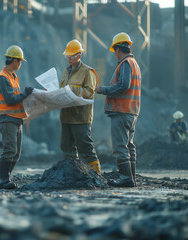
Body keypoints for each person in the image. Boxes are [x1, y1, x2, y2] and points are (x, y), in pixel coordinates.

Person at [96, 32, 141, 187]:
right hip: (131, 111)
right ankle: (131, 178)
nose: (114, 54)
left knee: (120, 147)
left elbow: (123, 85)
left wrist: (103, 89)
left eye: (114, 51)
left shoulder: (126, 63)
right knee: (129, 145)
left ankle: (126, 178)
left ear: (117, 49)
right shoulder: (134, 63)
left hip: (122, 111)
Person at [0, 45, 34, 189]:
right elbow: (10, 100)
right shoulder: (3, 78)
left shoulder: (12, 76)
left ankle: (0, 179)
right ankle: (4, 180)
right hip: (7, 119)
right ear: (14, 61)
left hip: (15, 119)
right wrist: (25, 94)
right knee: (9, 150)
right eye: (20, 61)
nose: (21, 64)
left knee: (15, 154)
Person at [60, 39, 101, 175]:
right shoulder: (66, 72)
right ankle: (72, 175)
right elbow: (61, 89)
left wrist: (72, 91)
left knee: (85, 148)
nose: (68, 58)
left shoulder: (87, 72)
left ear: (79, 56)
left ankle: (97, 175)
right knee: (67, 148)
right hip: (66, 117)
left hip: (81, 118)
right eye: (67, 55)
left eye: (71, 55)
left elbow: (89, 92)